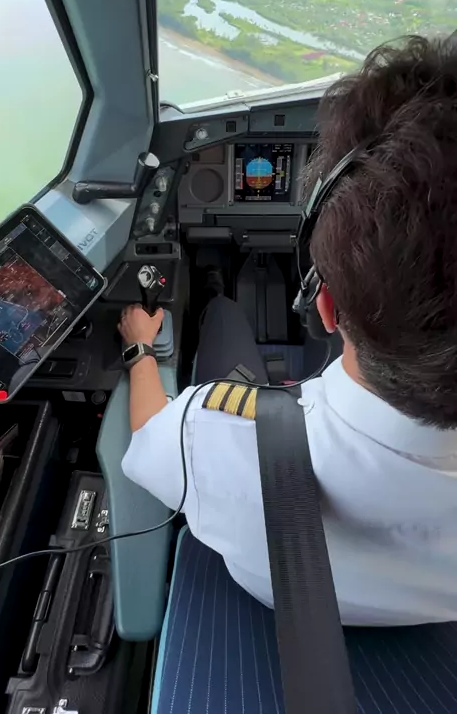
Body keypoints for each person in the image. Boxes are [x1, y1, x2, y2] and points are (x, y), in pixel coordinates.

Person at [121, 36, 457, 626]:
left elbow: (149, 431)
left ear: (325, 304)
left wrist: (141, 347)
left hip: (278, 598)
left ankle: (220, 298)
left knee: (224, 318)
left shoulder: (215, 435)